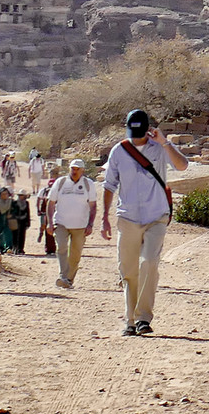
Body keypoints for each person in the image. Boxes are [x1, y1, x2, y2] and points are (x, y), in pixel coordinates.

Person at [101, 109, 188, 336]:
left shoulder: (159, 148)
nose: (137, 137)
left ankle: (143, 318)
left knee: (148, 262)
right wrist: (104, 218)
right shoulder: (119, 152)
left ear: (149, 129)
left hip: (156, 216)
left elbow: (182, 166)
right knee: (128, 270)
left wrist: (165, 142)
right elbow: (109, 185)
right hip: (128, 217)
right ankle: (130, 320)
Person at [46, 159, 99, 289]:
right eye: (72, 168)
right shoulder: (61, 182)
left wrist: (90, 224)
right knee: (62, 247)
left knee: (75, 253)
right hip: (61, 222)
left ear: (82, 170)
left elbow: (93, 206)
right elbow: (51, 203)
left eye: (77, 169)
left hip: (80, 225)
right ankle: (63, 276)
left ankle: (69, 279)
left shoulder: (88, 184)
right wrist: (49, 222)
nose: (74, 171)